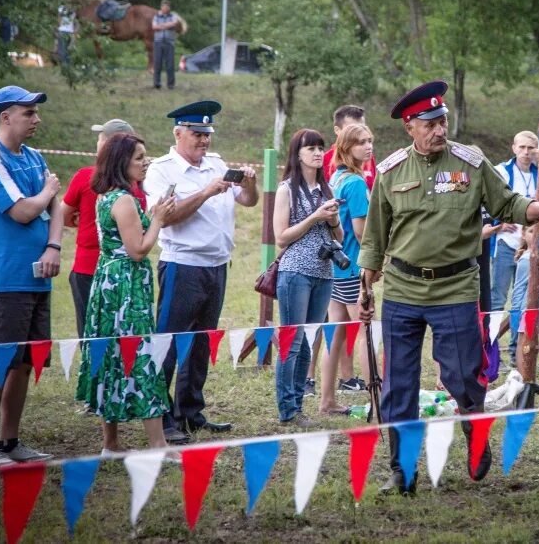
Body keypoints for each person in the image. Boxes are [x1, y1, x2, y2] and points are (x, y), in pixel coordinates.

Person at [358, 80, 539, 494]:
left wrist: (536, 209)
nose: (439, 130)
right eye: (429, 124)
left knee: (464, 378)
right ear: (410, 127)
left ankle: (476, 441)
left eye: (442, 121)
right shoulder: (390, 171)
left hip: (457, 288)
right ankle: (401, 470)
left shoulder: (471, 162)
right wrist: (366, 285)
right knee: (398, 387)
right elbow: (374, 236)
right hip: (403, 291)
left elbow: (506, 204)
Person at [144, 101, 259, 443]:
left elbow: (248, 201)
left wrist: (250, 183)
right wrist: (207, 191)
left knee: (200, 343)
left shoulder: (217, 163)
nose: (203, 141)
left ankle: (190, 411)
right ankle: (161, 416)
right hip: (183, 264)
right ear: (178, 133)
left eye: (207, 135)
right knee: (167, 341)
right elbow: (164, 216)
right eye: (197, 134)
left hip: (216, 265)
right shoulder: (162, 170)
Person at [0, 86, 63, 466]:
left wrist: (53, 247)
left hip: (39, 276)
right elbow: (24, 211)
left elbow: (55, 208)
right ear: (5, 117)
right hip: (4, 277)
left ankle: (9, 442)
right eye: (28, 112)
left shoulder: (35, 157)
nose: (36, 119)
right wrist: (48, 191)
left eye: (36, 112)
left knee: (25, 361)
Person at [75, 133, 177, 456]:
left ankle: (111, 443)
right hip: (126, 288)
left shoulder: (106, 195)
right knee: (142, 355)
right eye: (139, 158)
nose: (145, 162)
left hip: (108, 283)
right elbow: (138, 249)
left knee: (111, 358)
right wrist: (159, 219)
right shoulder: (125, 200)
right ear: (122, 162)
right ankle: (158, 444)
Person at [273, 128, 342, 428]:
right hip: (295, 272)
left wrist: (333, 218)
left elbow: (338, 236)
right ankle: (287, 408)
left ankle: (298, 404)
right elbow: (281, 237)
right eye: (311, 148)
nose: (317, 153)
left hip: (324, 273)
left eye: (320, 148)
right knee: (293, 340)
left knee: (309, 341)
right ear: (297, 153)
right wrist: (314, 217)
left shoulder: (326, 190)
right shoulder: (286, 189)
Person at [307, 104, 377, 395]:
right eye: (361, 143)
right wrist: (379, 260)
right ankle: (378, 393)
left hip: (336, 267)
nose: (368, 147)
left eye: (370, 140)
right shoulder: (357, 183)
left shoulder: (336, 177)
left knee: (335, 334)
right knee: (365, 332)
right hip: (353, 268)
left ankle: (327, 398)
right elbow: (361, 232)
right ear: (347, 147)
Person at [61, 119, 145, 339]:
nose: (98, 143)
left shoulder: (85, 176)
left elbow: (62, 216)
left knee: (90, 332)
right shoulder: (135, 186)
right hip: (124, 269)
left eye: (101, 139)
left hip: (90, 265)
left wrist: (79, 222)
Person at [490, 132, 539, 339]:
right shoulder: (501, 171)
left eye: (530, 148)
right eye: (522, 147)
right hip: (506, 243)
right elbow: (487, 201)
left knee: (524, 300)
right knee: (498, 298)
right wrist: (499, 222)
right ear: (514, 148)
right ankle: (490, 349)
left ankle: (516, 350)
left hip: (530, 247)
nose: (526, 152)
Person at [509, 223, 539, 373]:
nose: (536, 234)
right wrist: (516, 312)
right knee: (523, 342)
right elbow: (518, 288)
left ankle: (528, 369)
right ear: (523, 234)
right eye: (531, 231)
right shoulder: (526, 259)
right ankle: (521, 373)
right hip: (529, 309)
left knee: (533, 342)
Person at [323, 104, 377, 190]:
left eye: (362, 127)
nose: (359, 132)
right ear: (337, 130)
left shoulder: (367, 156)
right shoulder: (325, 160)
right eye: (352, 129)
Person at [151, 0, 179, 90]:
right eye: (164, 6)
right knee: (157, 63)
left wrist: (162, 26)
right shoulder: (156, 16)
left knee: (170, 64)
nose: (165, 8)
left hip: (169, 42)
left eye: (167, 6)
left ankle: (171, 84)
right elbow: (154, 27)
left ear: (169, 8)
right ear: (161, 7)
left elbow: (174, 23)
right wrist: (167, 25)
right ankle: (157, 83)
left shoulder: (173, 16)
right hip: (158, 42)